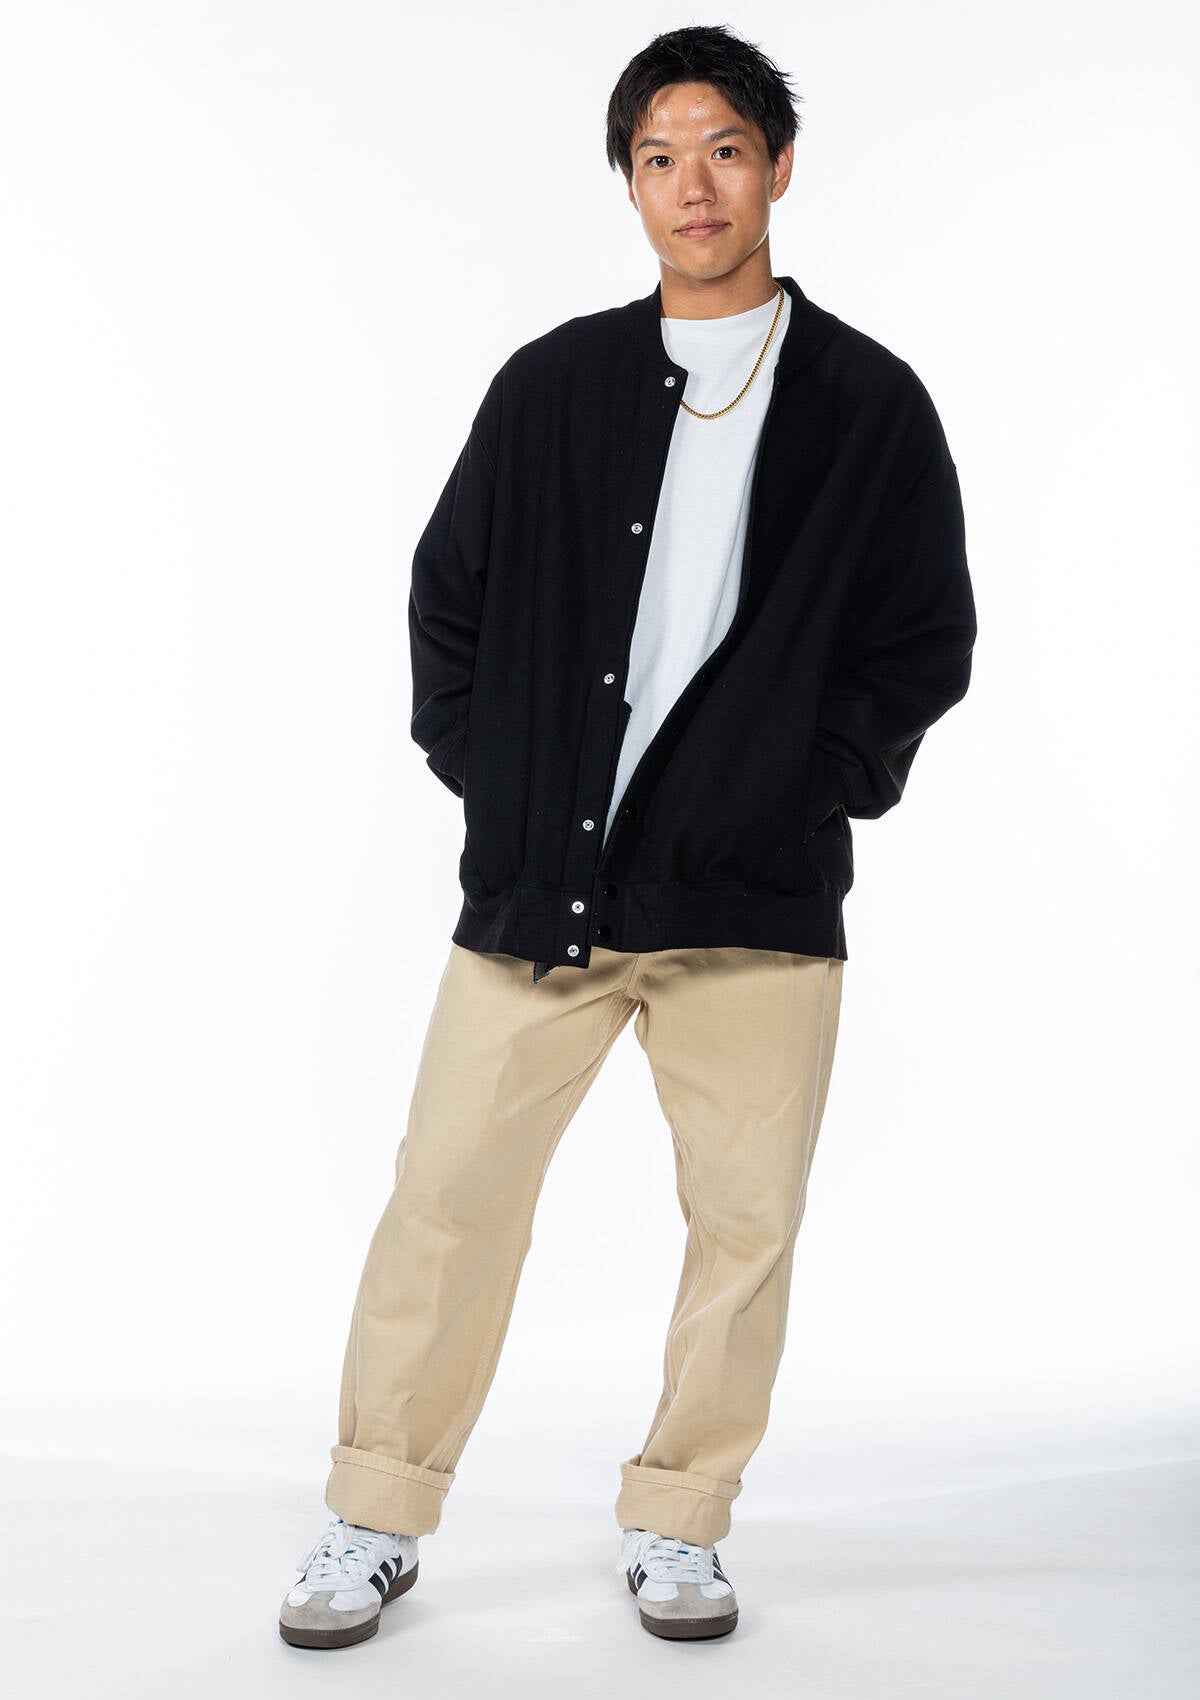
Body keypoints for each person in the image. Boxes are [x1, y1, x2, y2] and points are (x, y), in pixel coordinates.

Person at [279, 22, 976, 1650]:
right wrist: (501, 783)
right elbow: (447, 605)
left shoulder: (869, 405)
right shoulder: (553, 387)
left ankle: (681, 1521)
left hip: (755, 900)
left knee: (745, 1228)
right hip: (547, 886)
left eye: (723, 149)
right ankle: (374, 1510)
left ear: (778, 166)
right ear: (630, 183)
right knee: (446, 1199)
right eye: (660, 157)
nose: (693, 185)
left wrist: (805, 788)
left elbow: (920, 641)